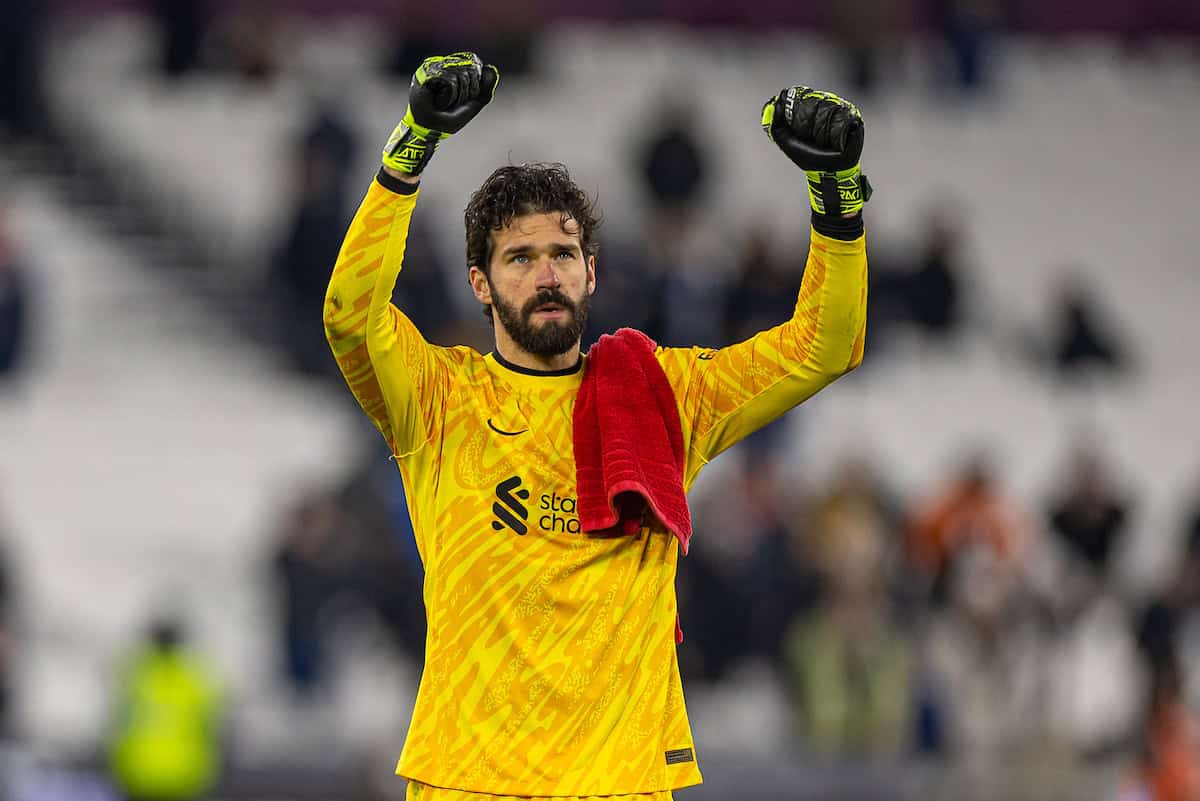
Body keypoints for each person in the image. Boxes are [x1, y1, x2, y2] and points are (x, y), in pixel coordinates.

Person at [323, 52, 870, 800]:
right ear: (480, 284)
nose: (545, 274)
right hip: (471, 784)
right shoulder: (441, 397)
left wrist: (836, 203)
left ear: (591, 273)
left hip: (620, 785)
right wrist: (409, 151)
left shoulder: (664, 397)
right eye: (519, 258)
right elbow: (350, 316)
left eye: (562, 254)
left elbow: (824, 345)